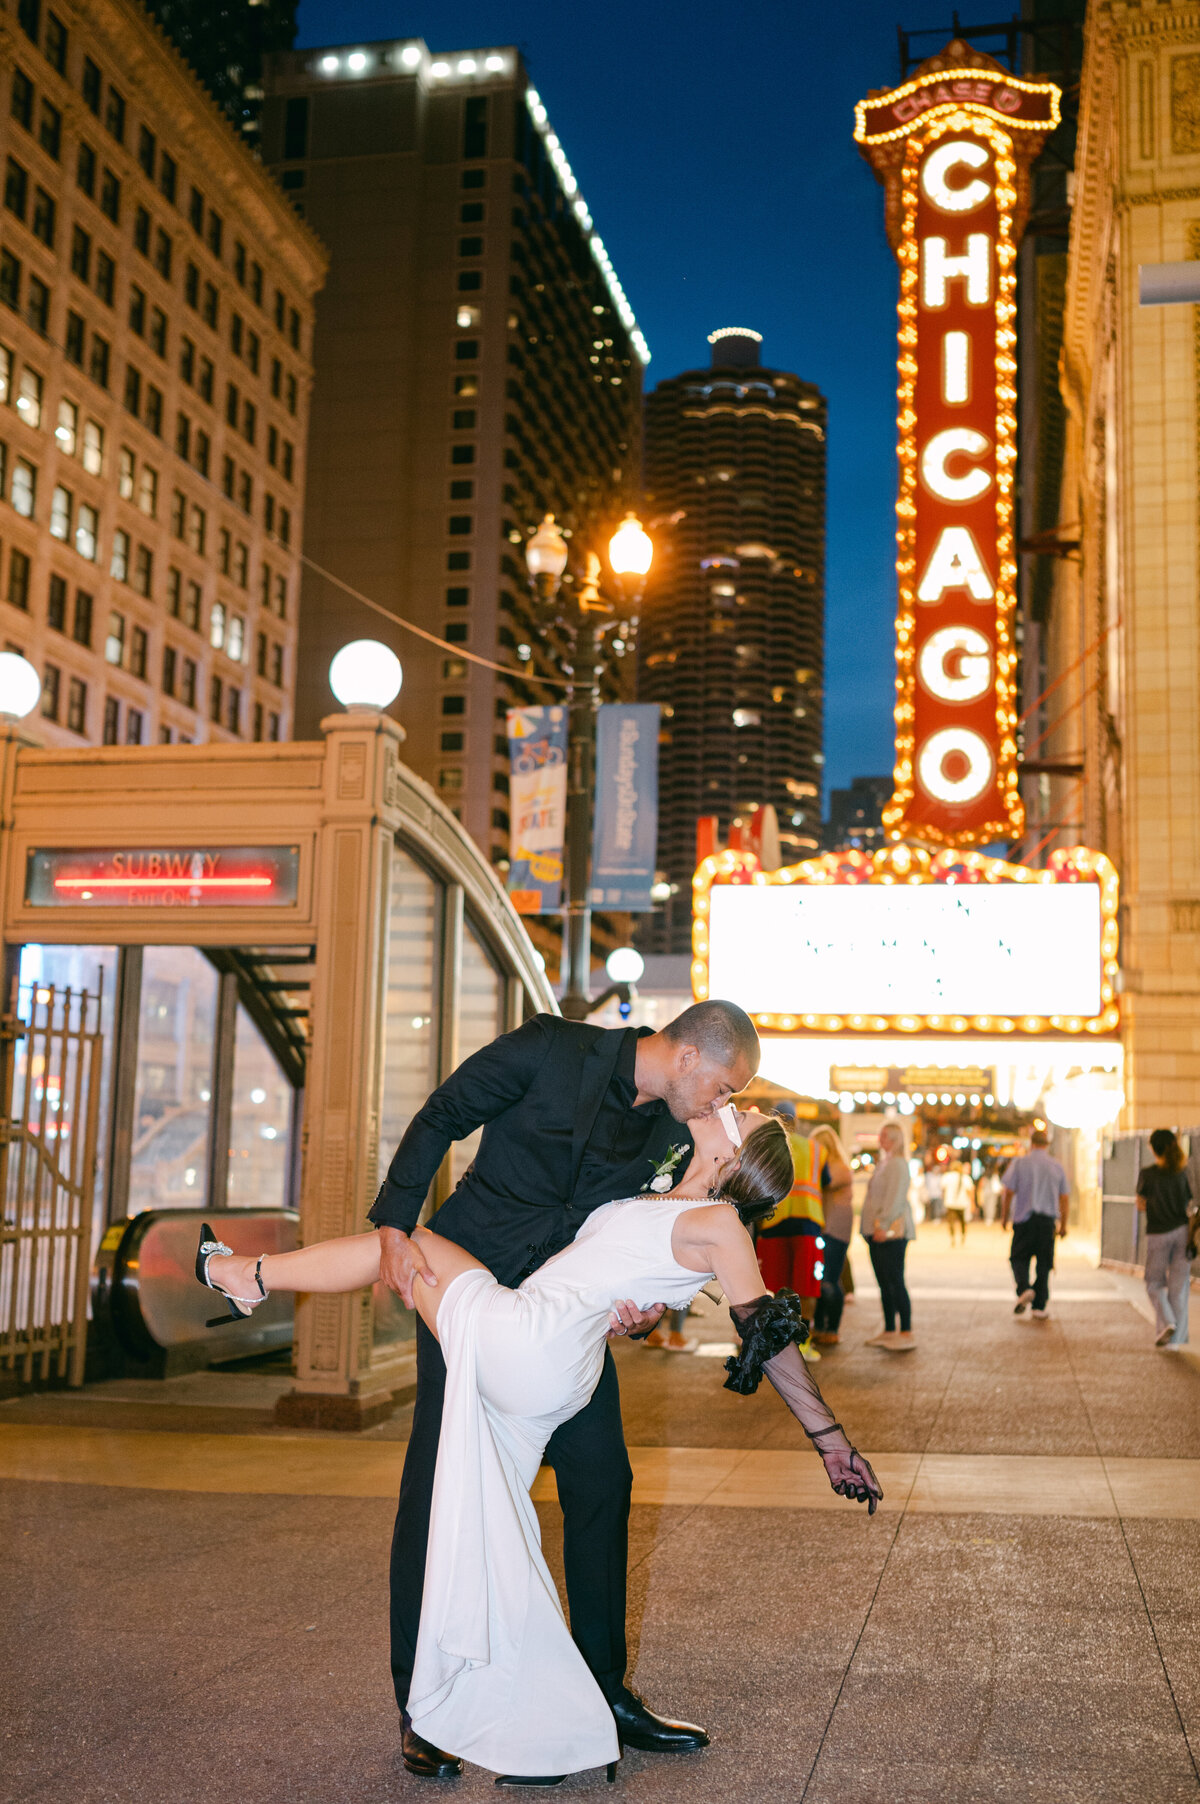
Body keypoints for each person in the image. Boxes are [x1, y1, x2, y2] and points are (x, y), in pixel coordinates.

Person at [196, 1109, 881, 1784]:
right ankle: (557, 1730)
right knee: (487, 1537)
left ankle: (247, 1277)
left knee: (416, 1246)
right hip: (554, 1360)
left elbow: (765, 1333)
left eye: (742, 1109)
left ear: (735, 1154)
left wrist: (829, 1440)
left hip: (535, 1346)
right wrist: (641, 1313)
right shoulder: (672, 1197)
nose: (731, 1103)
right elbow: (631, 1278)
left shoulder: (720, 1224)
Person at [365, 1000, 758, 1779]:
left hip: (558, 1325)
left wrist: (641, 1312)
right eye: (724, 1086)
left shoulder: (679, 1134)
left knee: (603, 1481)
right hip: (465, 1295)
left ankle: (603, 1690)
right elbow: (445, 1111)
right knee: (435, 1491)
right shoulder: (549, 1047)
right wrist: (392, 1225)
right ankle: (421, 1710)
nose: (725, 1104)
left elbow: (639, 1238)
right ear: (686, 1057)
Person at [754, 1114, 827, 1361]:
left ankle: (770, 1342)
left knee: (770, 1287)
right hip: (807, 1223)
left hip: (773, 1223)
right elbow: (827, 1181)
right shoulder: (816, 1149)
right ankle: (803, 1343)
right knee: (806, 1287)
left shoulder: (764, 1143)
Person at [1001, 1128, 1068, 1319]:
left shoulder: (1020, 1163)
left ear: (1031, 1143)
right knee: (1044, 1263)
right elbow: (1064, 1197)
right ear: (1047, 1144)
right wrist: (1063, 1224)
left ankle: (1024, 1288)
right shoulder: (1056, 1166)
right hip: (1047, 1222)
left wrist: (1004, 1217)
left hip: (1024, 1220)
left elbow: (1008, 1192)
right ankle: (1039, 1305)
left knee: (1018, 1258)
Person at [860, 1121, 917, 1351]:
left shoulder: (898, 1164)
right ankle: (890, 1329)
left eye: (884, 1135)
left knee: (895, 1281)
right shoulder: (886, 1162)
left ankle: (905, 1330)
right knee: (885, 1283)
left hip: (890, 1234)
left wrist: (883, 1224)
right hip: (877, 1232)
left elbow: (895, 1199)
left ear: (893, 1139)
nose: (879, 1139)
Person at [1137, 1129, 1194, 1349]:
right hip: (1182, 1233)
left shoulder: (1148, 1174)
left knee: (1154, 1283)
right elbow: (1188, 1202)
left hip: (1158, 1234)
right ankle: (1175, 1341)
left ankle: (1167, 1322)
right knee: (1178, 1288)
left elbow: (1140, 1203)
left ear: (1153, 1148)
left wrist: (1153, 1205)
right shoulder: (1182, 1173)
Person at [808, 1123, 854, 1346]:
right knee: (820, 1281)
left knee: (829, 1280)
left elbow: (821, 1184)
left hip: (834, 1231)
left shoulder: (839, 1168)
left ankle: (832, 1328)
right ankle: (822, 1327)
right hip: (825, 1228)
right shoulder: (833, 1166)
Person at [943, 1158, 975, 1246]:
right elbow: (970, 1192)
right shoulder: (966, 1178)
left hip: (950, 1203)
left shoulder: (947, 1176)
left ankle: (953, 1237)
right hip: (962, 1203)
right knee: (963, 1222)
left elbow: (943, 1189)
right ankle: (963, 1236)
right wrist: (972, 1203)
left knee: (951, 1222)